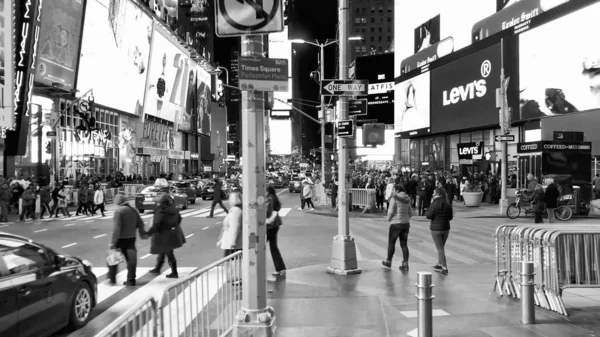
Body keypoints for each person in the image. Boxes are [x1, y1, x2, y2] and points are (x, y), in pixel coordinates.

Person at [108, 194, 147, 286]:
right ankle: (131, 279)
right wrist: (143, 234)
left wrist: (112, 243)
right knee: (131, 260)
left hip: (119, 240)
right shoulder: (133, 210)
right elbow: (140, 223)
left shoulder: (119, 211)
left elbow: (116, 229)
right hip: (131, 238)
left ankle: (112, 279)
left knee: (113, 259)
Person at [148, 194, 185, 278]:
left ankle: (174, 272)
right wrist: (173, 226)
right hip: (171, 233)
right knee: (164, 250)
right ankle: (158, 268)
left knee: (168, 252)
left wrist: (150, 232)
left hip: (162, 234)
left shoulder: (160, 210)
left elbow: (157, 223)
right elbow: (179, 219)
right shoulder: (173, 209)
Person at [382, 185, 412, 271]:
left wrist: (389, 218)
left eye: (394, 189)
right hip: (405, 224)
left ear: (397, 190)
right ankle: (405, 264)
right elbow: (410, 213)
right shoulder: (407, 199)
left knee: (391, 243)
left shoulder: (394, 198)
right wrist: (406, 218)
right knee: (404, 244)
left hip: (396, 223)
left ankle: (388, 261)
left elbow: (391, 210)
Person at [426, 188, 453, 275]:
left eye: (433, 192)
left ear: (437, 194)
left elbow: (428, 215)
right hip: (445, 228)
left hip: (436, 229)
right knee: (441, 247)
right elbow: (450, 217)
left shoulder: (434, 203)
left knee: (440, 248)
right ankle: (439, 263)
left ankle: (444, 268)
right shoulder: (447, 204)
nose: (432, 193)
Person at [266, 186, 286, 276]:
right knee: (273, 247)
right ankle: (280, 269)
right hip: (274, 225)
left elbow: (267, 212)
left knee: (258, 248)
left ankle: (256, 270)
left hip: (269, 226)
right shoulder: (273, 197)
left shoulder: (269, 199)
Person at [217, 192, 243, 256]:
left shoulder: (236, 211)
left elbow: (235, 227)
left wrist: (232, 242)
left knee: (231, 263)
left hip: (233, 245)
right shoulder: (236, 210)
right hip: (232, 243)